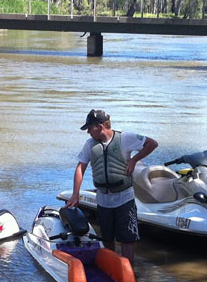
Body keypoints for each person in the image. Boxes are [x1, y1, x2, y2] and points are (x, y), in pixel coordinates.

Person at [64, 109, 158, 264]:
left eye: (90, 128)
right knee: (107, 237)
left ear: (100, 126)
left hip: (124, 198)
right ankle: (111, 266)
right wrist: (75, 193)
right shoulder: (90, 144)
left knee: (127, 238)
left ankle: (128, 272)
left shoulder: (125, 138)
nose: (88, 132)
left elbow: (152, 144)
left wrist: (134, 160)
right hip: (103, 200)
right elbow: (80, 168)